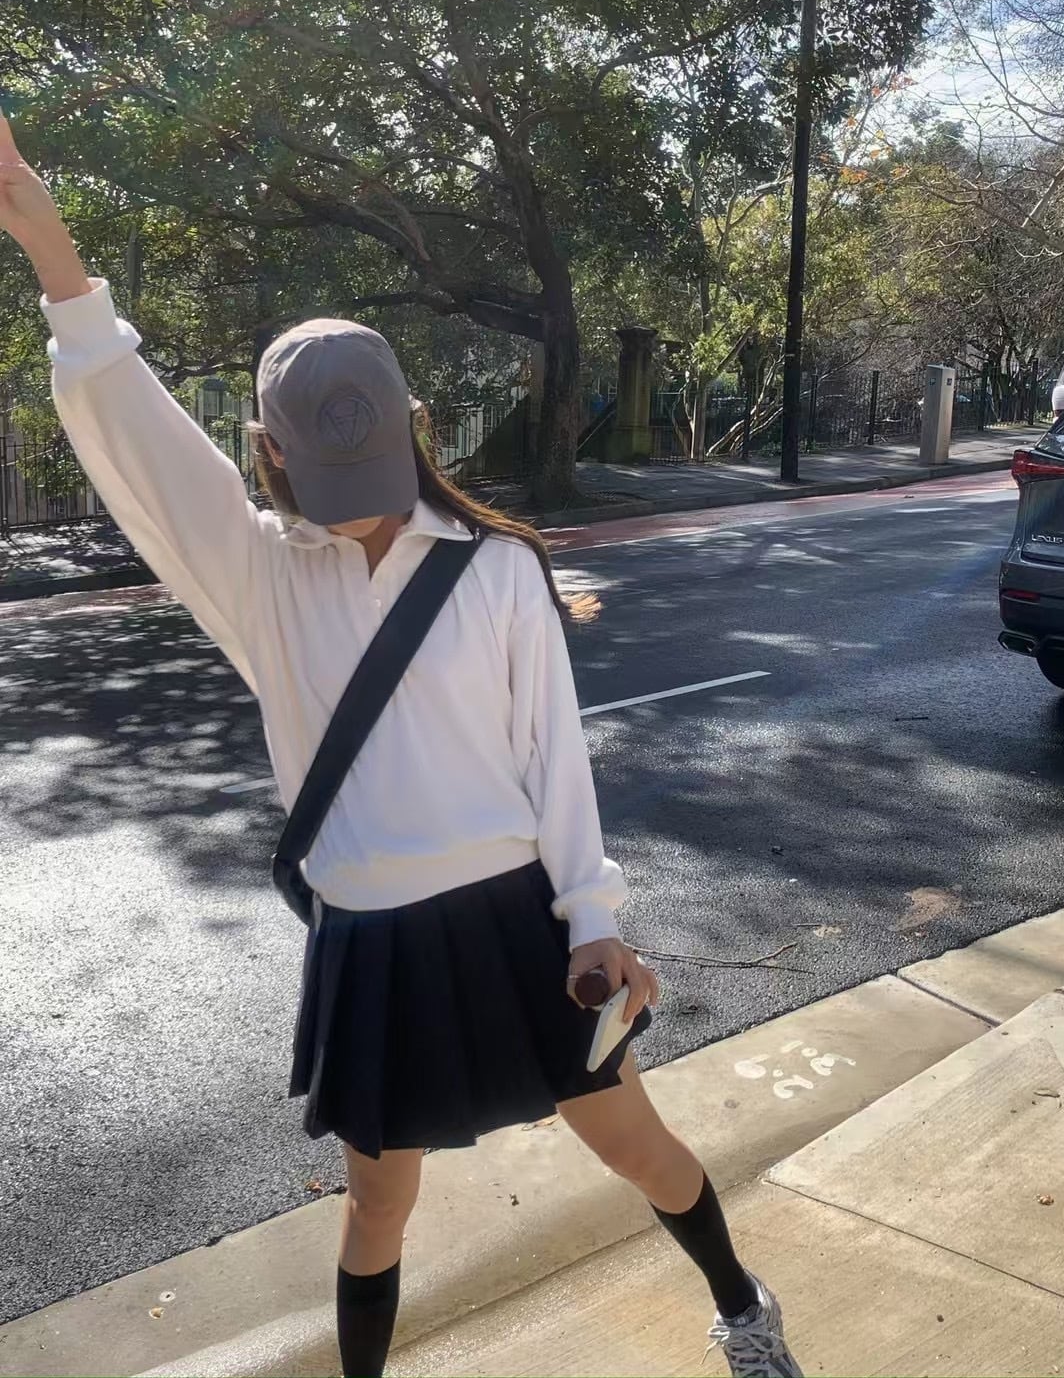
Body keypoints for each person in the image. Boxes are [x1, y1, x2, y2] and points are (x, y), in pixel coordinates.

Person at [0, 111, 801, 1378]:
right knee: (379, 1206)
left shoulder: (498, 568)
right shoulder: (259, 573)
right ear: (270, 451)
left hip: (516, 920)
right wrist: (54, 253)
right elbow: (140, 441)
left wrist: (594, 921)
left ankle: (744, 1305)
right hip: (371, 942)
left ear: (412, 423)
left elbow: (555, 760)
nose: (353, 502)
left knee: (636, 1148)